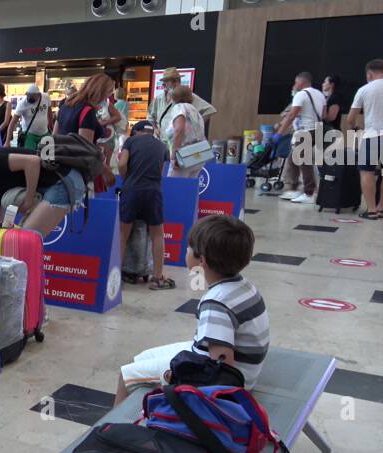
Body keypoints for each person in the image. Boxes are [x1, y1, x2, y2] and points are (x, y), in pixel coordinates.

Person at [114, 214, 269, 406]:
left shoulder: (217, 303)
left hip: (233, 380)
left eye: (188, 248)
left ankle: (111, 431)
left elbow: (222, 365)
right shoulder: (243, 286)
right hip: (232, 364)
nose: (185, 252)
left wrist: (179, 376)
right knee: (139, 359)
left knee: (126, 375)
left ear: (201, 261)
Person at [118, 121, 173, 290]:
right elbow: (161, 172)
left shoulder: (130, 141)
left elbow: (121, 164)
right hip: (153, 191)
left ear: (136, 132)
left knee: (123, 234)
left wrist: (127, 179)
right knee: (157, 234)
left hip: (131, 190)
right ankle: (157, 278)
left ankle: (116, 273)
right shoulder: (163, 146)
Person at [345, 58, 383, 220]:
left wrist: (355, 127)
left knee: (366, 172)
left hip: (372, 135)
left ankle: (372, 210)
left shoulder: (364, 89)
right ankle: (382, 207)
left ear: (369, 74)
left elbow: (350, 118)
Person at [274, 72, 325, 204]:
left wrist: (279, 133)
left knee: (304, 161)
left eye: (295, 82)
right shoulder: (320, 95)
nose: (294, 85)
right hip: (318, 130)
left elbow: (290, 116)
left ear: (301, 82)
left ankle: (309, 193)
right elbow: (324, 115)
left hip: (305, 131)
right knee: (293, 158)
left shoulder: (301, 94)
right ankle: (294, 189)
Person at [148, 67, 216, 147]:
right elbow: (150, 116)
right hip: (161, 142)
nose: (163, 84)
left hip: (178, 143)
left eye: (166, 81)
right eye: (163, 81)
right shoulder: (159, 98)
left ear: (176, 82)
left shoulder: (187, 96)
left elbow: (209, 110)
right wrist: (155, 128)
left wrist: (194, 124)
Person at [167, 85, 209, 180]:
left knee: (174, 187)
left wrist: (174, 154)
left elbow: (179, 129)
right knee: (189, 188)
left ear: (174, 98)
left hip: (184, 154)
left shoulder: (179, 107)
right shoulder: (195, 110)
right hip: (199, 154)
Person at [5, 83, 52, 150]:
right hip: (29, 134)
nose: (29, 98)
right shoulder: (22, 103)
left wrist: (51, 125)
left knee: (47, 158)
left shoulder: (46, 97)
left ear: (38, 95)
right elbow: (12, 123)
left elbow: (49, 112)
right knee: (30, 156)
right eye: (28, 95)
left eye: (32, 96)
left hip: (44, 133)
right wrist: (7, 141)